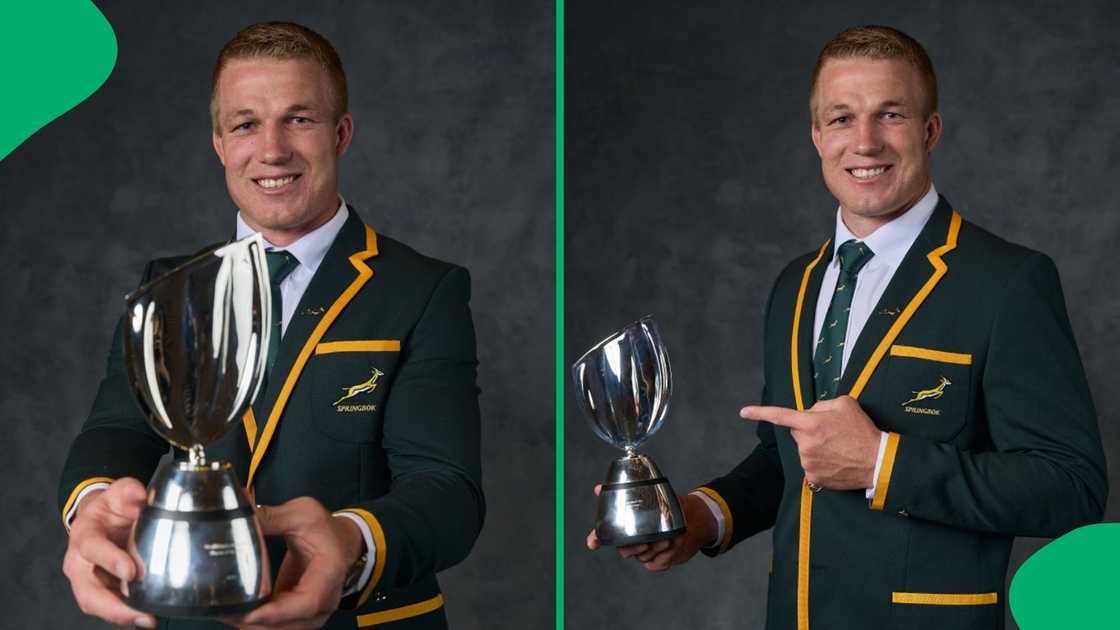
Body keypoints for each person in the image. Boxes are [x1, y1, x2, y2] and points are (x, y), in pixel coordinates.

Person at [588, 25, 1107, 630]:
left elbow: (1071, 488)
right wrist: (702, 517)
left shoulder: (1007, 283)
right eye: (840, 118)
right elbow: (791, 456)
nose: (865, 142)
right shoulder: (796, 284)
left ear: (929, 130)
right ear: (816, 136)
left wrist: (884, 464)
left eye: (890, 114)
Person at [58, 22, 483, 630]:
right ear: (219, 144)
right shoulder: (169, 285)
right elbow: (115, 430)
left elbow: (448, 492)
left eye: (299, 119)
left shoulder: (422, 290)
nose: (273, 149)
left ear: (341, 134)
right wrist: (94, 505)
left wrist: (348, 540)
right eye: (246, 124)